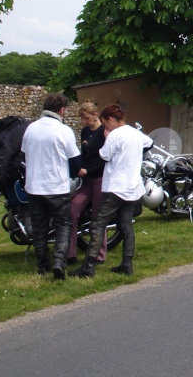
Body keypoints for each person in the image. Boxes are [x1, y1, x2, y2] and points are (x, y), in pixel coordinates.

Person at [71, 104, 152, 278]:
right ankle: (127, 263)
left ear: (110, 120)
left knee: (98, 223)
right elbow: (149, 143)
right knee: (126, 225)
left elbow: (104, 155)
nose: (105, 128)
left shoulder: (114, 135)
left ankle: (89, 266)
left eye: (105, 124)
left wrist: (108, 138)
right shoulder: (135, 133)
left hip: (116, 186)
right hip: (132, 186)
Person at [21, 93, 81, 279]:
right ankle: (59, 262)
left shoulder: (30, 129)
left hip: (34, 186)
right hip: (57, 187)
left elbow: (24, 155)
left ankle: (42, 266)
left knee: (39, 228)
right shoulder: (64, 130)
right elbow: (75, 163)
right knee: (63, 224)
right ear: (62, 110)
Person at [67, 101, 107, 265]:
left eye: (86, 118)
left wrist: (89, 171)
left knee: (97, 216)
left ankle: (99, 255)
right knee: (72, 211)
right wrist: (79, 168)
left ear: (95, 115)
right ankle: (70, 253)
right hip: (86, 180)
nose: (84, 122)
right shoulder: (85, 132)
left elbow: (105, 158)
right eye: (82, 119)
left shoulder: (104, 132)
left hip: (99, 178)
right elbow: (83, 154)